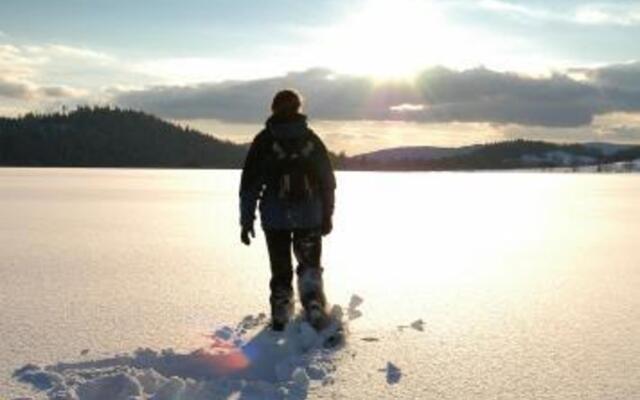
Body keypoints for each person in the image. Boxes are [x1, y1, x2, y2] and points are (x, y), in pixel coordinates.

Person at [239, 89, 336, 332]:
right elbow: (327, 181)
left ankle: (281, 311)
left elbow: (250, 185)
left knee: (281, 269)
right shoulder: (311, 140)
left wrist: (246, 220)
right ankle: (313, 305)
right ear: (298, 108)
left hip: (274, 218)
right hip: (309, 216)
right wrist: (327, 214)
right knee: (309, 266)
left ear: (274, 109)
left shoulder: (264, 141)